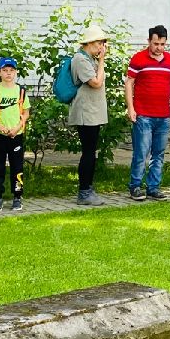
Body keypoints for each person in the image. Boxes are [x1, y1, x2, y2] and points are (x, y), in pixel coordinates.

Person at [125, 25, 170, 200]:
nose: (159, 48)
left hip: (163, 116)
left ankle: (153, 187)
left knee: (158, 154)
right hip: (143, 114)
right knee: (141, 153)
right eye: (156, 44)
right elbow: (129, 83)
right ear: (149, 41)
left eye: (162, 44)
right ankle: (135, 186)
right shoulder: (138, 58)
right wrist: (131, 108)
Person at [0, 56, 30, 212]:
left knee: (17, 166)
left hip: (16, 134)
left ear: (16, 72)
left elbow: (26, 112)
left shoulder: (21, 91)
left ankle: (17, 197)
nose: (8, 73)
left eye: (11, 70)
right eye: (5, 70)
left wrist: (17, 127)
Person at [68, 26, 110, 206]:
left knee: (91, 152)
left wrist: (99, 61)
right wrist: (102, 61)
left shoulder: (89, 59)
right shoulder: (80, 59)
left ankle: (88, 188)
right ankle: (84, 192)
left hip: (93, 112)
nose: (102, 47)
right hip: (86, 113)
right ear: (89, 43)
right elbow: (96, 82)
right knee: (88, 152)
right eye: (99, 43)